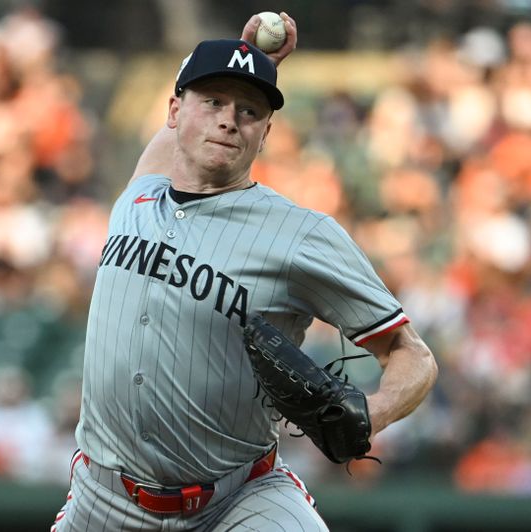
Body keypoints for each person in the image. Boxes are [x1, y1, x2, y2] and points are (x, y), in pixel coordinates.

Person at [52, 12, 438, 532]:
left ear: (267, 132)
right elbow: (174, 149)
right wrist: (250, 57)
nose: (229, 120)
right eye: (213, 102)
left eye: (249, 111)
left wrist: (375, 413)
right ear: (173, 110)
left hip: (238, 500)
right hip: (103, 502)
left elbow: (413, 355)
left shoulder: (301, 235)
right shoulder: (138, 195)